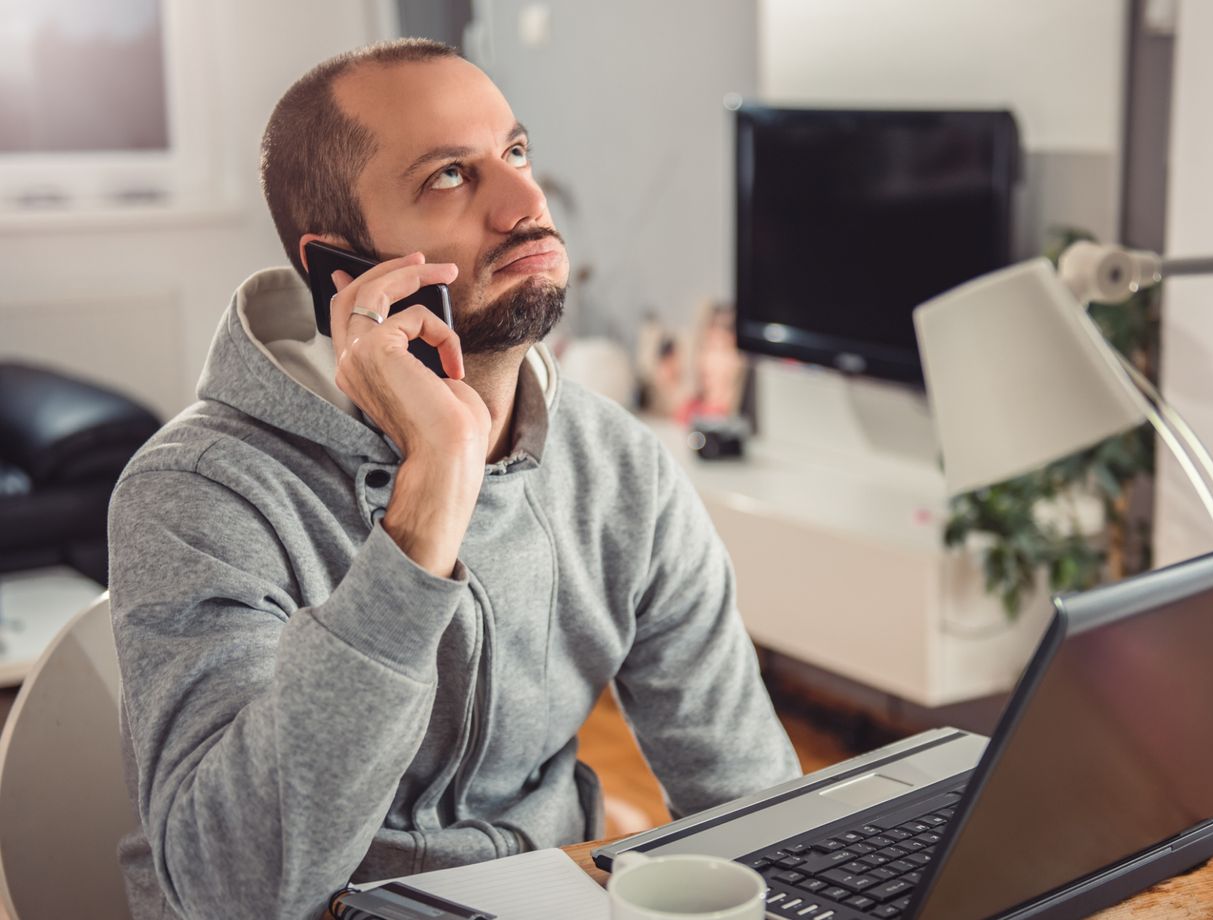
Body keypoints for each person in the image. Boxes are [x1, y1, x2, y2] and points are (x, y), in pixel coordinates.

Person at [108, 38, 800, 920]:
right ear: (342, 273)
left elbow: (750, 800)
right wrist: (430, 496)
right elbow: (233, 888)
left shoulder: (618, 467)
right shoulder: (199, 492)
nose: (527, 202)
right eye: (448, 177)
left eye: (514, 152)